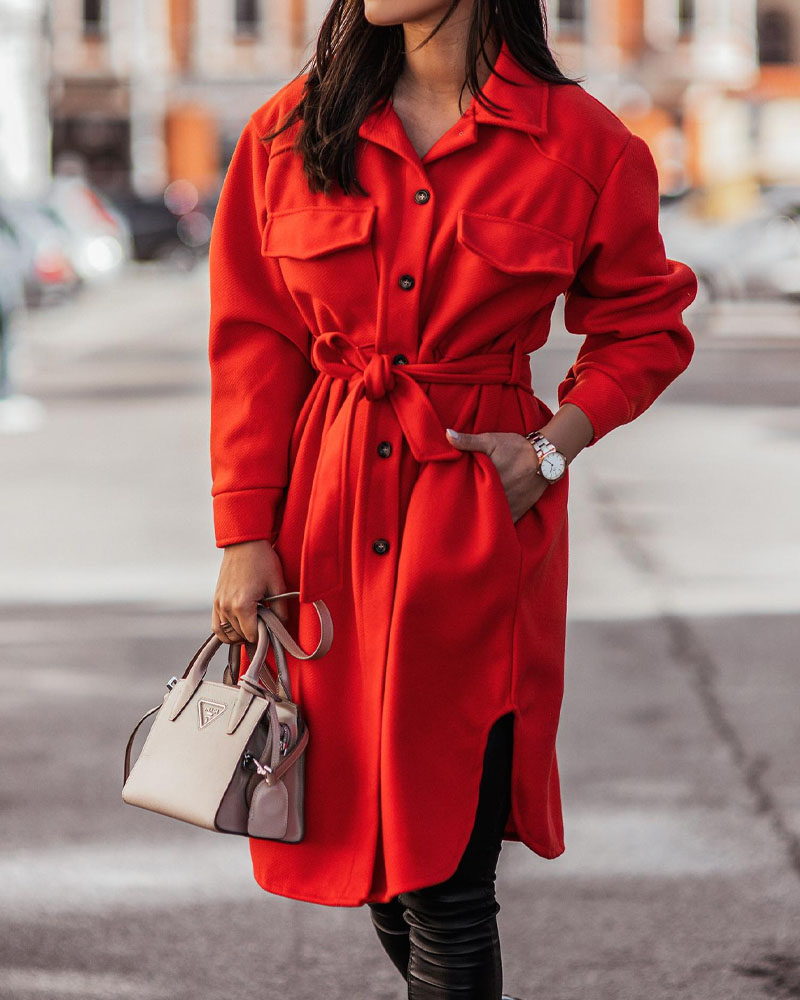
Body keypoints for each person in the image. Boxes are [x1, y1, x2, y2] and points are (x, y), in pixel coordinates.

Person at [207, 0, 697, 995]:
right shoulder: (287, 130)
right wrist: (242, 532)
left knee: (447, 875)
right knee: (370, 854)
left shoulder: (583, 144)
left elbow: (645, 325)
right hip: (328, 526)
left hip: (472, 520)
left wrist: (551, 450)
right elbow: (253, 341)